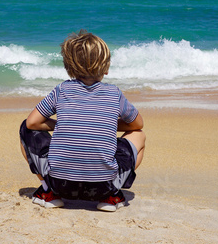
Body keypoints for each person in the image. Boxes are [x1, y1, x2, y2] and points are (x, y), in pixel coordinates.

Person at [19, 30, 145, 212]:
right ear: (106, 67)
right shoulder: (114, 94)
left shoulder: (62, 90)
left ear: (69, 67)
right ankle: (112, 194)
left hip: (60, 184)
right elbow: (137, 125)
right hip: (103, 186)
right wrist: (106, 124)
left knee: (25, 128)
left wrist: (59, 124)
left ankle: (49, 192)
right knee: (139, 136)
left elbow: (32, 123)